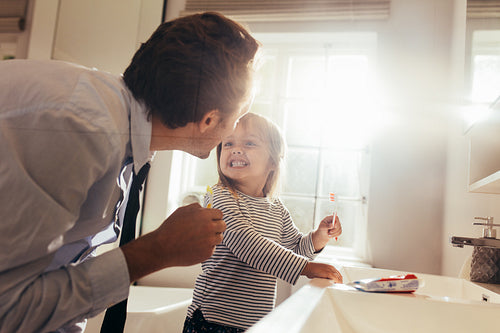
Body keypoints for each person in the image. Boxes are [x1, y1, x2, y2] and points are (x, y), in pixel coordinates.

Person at [0, 12, 259, 333]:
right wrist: (157, 251)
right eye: (239, 115)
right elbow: (6, 308)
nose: (235, 130)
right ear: (208, 120)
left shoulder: (115, 125)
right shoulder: (82, 132)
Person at [183, 113, 343, 333]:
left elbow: (296, 249)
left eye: (249, 143)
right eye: (228, 143)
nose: (235, 149)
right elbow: (248, 244)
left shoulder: (276, 208)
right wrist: (306, 268)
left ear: (273, 162)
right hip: (212, 321)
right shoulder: (218, 197)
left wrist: (319, 237)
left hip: (254, 324)